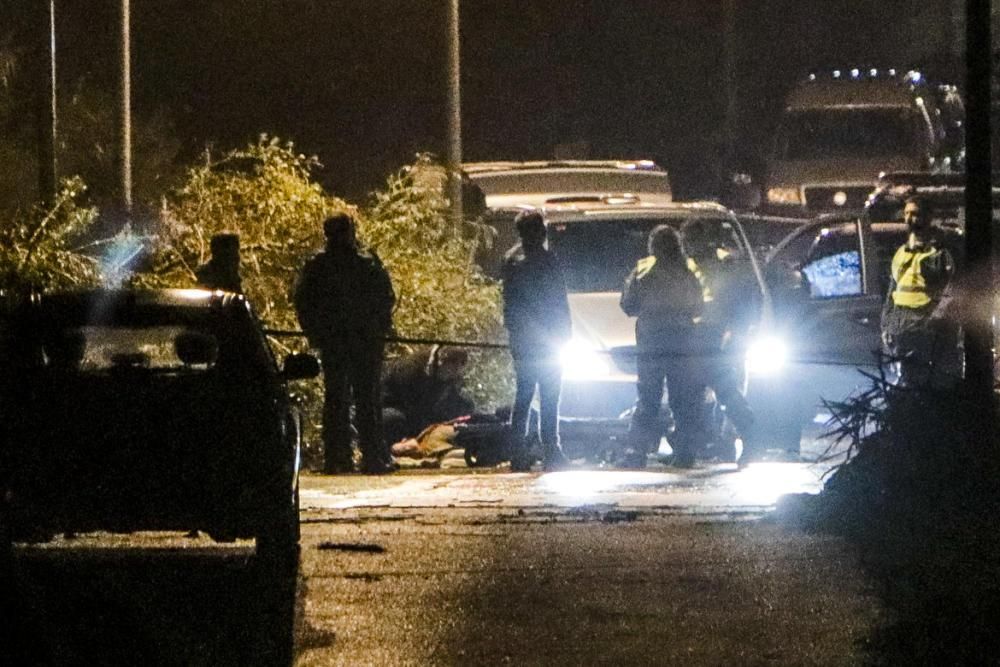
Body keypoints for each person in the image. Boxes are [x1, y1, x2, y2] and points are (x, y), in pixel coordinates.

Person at [294, 213, 396, 474]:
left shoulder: (319, 266)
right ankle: (370, 457)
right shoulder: (364, 264)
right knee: (364, 399)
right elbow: (385, 299)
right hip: (360, 342)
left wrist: (316, 334)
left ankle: (339, 457)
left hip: (339, 342)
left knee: (339, 399)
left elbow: (303, 303)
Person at [620, 224, 704, 468]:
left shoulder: (643, 270)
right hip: (682, 342)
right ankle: (685, 452)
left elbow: (628, 305)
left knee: (648, 398)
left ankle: (636, 451)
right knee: (682, 398)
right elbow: (699, 306)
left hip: (651, 343)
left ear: (652, 247)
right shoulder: (688, 272)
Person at [680, 217, 762, 466]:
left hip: (713, 338)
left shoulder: (723, 267)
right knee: (694, 396)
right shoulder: (696, 266)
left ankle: (748, 441)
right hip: (702, 337)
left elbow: (736, 303)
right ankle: (693, 450)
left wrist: (733, 335)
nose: (687, 246)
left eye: (689, 241)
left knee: (723, 392)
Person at [501, 211, 573, 472]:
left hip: (524, 341)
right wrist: (565, 333)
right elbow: (559, 301)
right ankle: (551, 451)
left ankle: (517, 452)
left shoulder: (511, 260)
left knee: (524, 395)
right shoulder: (546, 260)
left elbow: (510, 306)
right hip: (547, 339)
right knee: (549, 396)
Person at [880, 194, 958, 387]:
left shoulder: (940, 251)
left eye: (915, 213)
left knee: (926, 382)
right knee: (905, 380)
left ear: (927, 217)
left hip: (926, 326)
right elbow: (893, 291)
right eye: (906, 213)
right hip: (903, 323)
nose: (909, 218)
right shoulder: (902, 252)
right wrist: (887, 325)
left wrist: (934, 320)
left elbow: (950, 290)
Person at [382, 345, 475, 447]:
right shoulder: (411, 368)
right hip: (397, 408)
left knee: (466, 404)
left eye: (462, 363)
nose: (458, 367)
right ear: (440, 360)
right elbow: (412, 406)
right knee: (393, 419)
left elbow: (453, 399)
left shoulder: (453, 376)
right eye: (453, 361)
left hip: (426, 412)